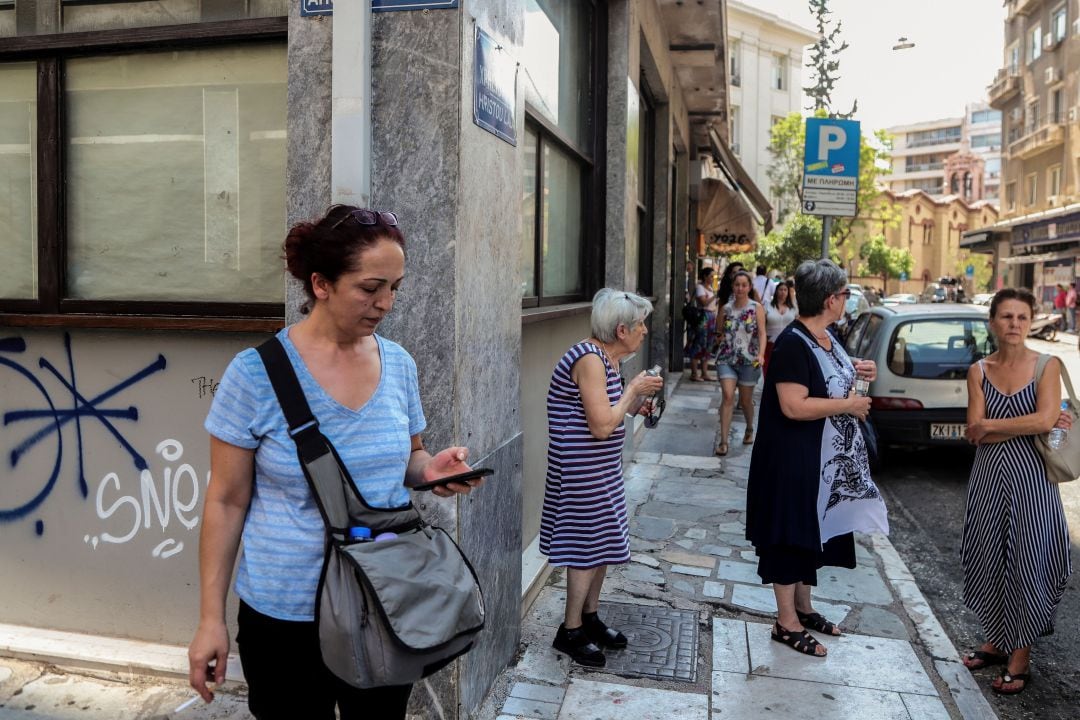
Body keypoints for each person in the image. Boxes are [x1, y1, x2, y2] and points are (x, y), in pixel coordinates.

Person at [187, 206, 483, 720]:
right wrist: (209, 619)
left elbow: (410, 458)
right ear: (321, 284)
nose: (386, 303)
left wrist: (430, 470)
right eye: (371, 288)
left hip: (382, 601)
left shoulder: (399, 365)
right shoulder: (255, 375)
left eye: (396, 288)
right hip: (284, 612)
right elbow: (226, 500)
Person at [745, 259, 888, 658]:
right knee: (789, 536)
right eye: (844, 294)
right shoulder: (793, 343)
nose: (846, 300)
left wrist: (862, 373)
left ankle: (804, 609)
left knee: (811, 533)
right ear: (830, 299)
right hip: (792, 459)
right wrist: (849, 404)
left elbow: (832, 382)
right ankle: (785, 622)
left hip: (820, 458)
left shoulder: (826, 337)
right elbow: (793, 406)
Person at [540, 289, 664, 667]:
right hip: (581, 471)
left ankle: (589, 618)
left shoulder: (606, 360)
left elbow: (608, 413)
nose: (644, 330)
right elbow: (599, 426)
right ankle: (570, 630)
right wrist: (632, 392)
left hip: (600, 470)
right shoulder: (590, 359)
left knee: (603, 542)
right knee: (585, 547)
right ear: (621, 329)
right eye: (640, 324)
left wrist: (634, 403)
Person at [960, 287, 1072, 696]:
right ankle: (994, 640)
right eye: (1006, 317)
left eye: (1022, 317)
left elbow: (1045, 420)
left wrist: (994, 426)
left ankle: (1020, 656)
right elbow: (975, 432)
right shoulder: (979, 370)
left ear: (1031, 321)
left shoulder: (1047, 365)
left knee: (1028, 561)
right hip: (988, 479)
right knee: (989, 556)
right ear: (993, 322)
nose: (1014, 325)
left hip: (1033, 481)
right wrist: (1027, 423)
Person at [714, 271, 766, 456]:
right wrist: (719, 339)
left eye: (744, 285)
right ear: (733, 287)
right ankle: (723, 441)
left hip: (749, 360)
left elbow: (761, 333)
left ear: (749, 287)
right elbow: (718, 330)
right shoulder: (726, 308)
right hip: (727, 357)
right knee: (728, 396)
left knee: (745, 401)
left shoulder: (756, 307)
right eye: (737, 285)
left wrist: (760, 354)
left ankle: (750, 428)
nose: (740, 288)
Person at [685, 267, 717, 382]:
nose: (713, 278)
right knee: (698, 344)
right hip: (703, 317)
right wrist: (715, 296)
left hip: (711, 317)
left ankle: (704, 372)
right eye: (711, 276)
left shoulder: (711, 288)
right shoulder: (700, 287)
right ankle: (694, 373)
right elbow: (703, 302)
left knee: (708, 345)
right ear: (705, 276)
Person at [763, 280, 797, 374]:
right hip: (770, 343)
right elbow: (761, 324)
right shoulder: (768, 306)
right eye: (780, 289)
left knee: (785, 370)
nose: (782, 292)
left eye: (785, 290)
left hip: (788, 343)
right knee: (769, 369)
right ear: (776, 291)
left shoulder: (793, 308)